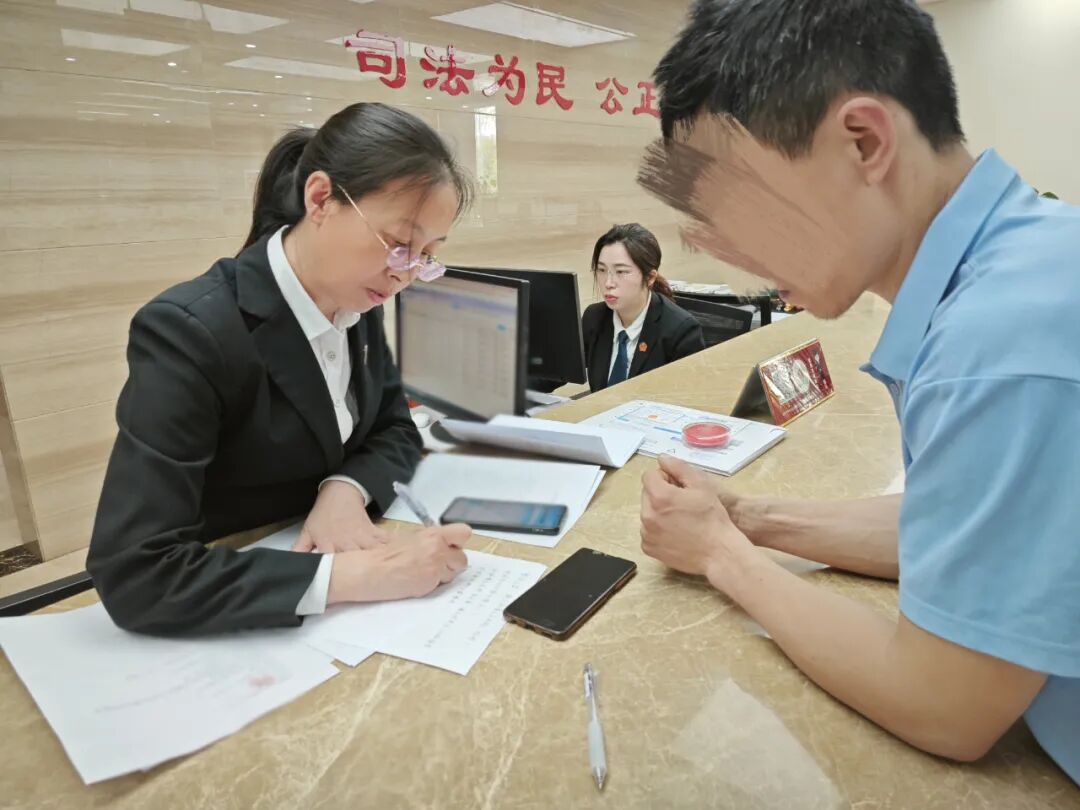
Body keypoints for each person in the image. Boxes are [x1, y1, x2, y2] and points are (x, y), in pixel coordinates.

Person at [637, 0, 1079, 783]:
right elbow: (969, 531)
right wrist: (750, 518)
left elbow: (946, 703)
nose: (734, 250)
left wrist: (721, 554)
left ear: (865, 142)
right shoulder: (1031, 261)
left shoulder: (997, 341)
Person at [87, 103, 474, 637]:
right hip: (234, 604)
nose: (405, 275)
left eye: (426, 255)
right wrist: (359, 576)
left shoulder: (356, 300)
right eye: (398, 244)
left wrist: (344, 489)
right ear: (320, 199)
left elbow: (394, 428)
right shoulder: (190, 331)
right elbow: (136, 572)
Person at [582, 223, 705, 392]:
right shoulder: (595, 317)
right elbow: (559, 372)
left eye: (621, 272)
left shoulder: (680, 330)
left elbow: (689, 396)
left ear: (650, 277)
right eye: (601, 270)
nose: (608, 283)